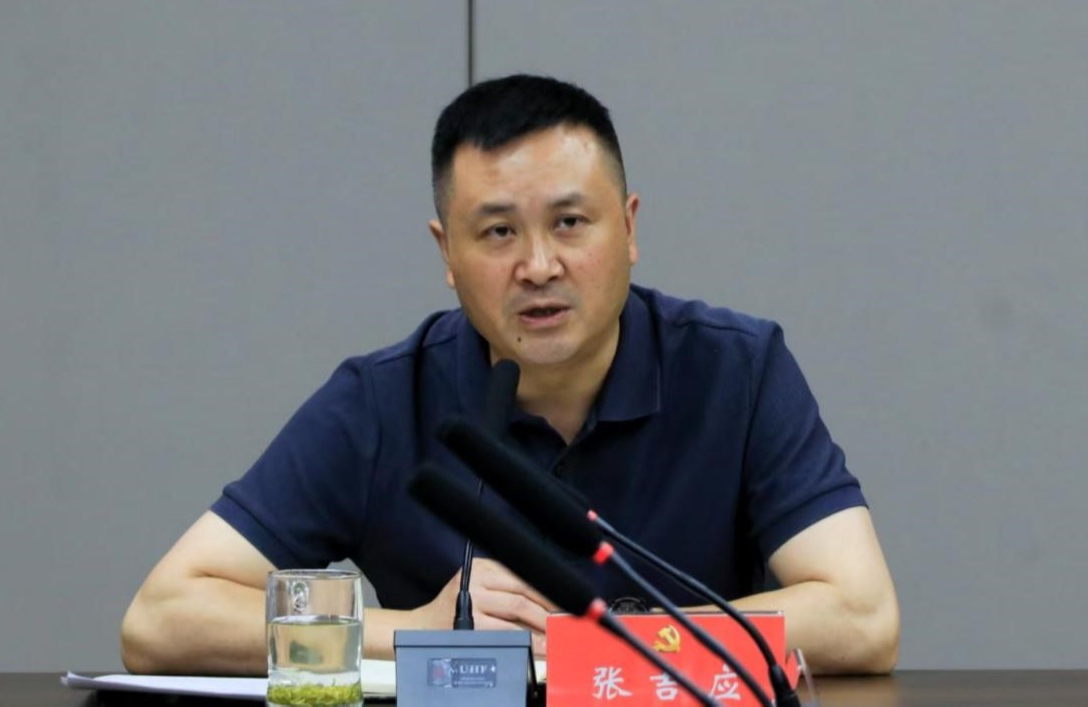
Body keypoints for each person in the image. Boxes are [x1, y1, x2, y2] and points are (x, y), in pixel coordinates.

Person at [121, 74, 899, 677]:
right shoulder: (382, 401)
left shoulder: (737, 368)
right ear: (447, 254)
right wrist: (411, 631)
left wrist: (607, 642)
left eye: (570, 222)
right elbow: (159, 620)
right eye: (498, 232)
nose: (538, 266)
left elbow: (863, 616)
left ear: (629, 228)